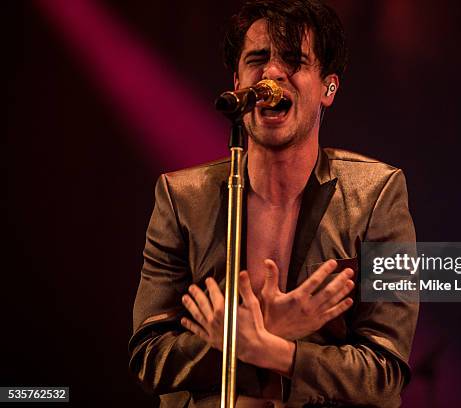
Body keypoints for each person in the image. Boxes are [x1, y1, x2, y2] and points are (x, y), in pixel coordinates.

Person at [128, 1, 418, 406]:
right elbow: (149, 358)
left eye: (294, 61)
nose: (271, 73)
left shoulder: (376, 195)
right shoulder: (181, 198)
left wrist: (274, 349)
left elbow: (383, 373)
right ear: (237, 81)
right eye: (257, 59)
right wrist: (272, 325)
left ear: (328, 88)